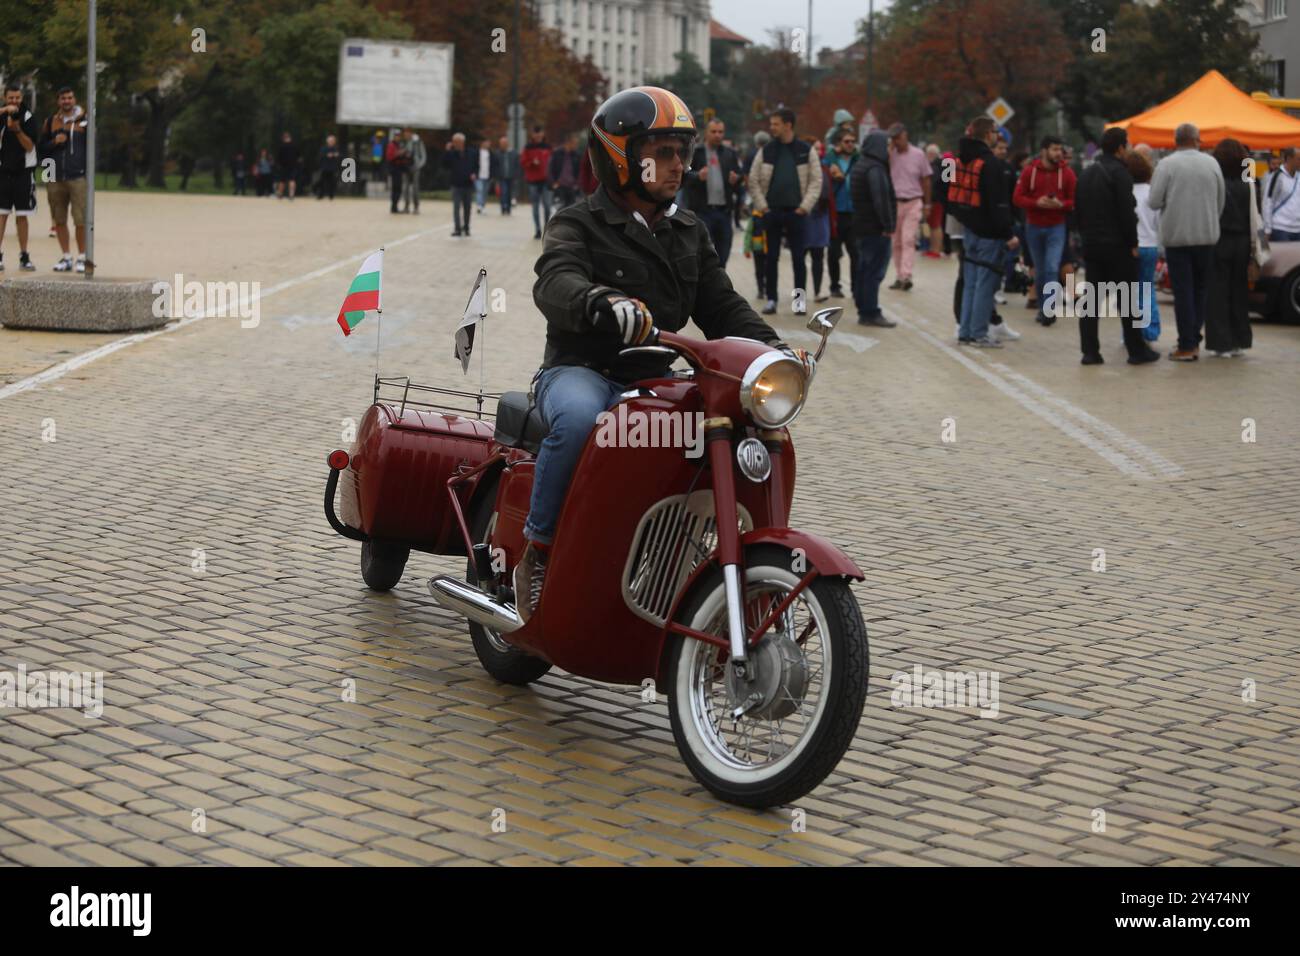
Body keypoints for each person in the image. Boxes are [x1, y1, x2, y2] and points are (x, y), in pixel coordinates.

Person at [520, 86, 812, 620]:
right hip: (581, 371)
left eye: (684, 152)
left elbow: (722, 306)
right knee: (585, 419)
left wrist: (773, 350)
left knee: (727, 427)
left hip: (653, 380)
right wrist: (597, 300)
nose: (679, 165)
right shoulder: (576, 222)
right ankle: (538, 554)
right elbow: (554, 281)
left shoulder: (687, 231)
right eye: (663, 153)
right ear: (621, 158)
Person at [1073, 127, 1159, 366]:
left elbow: (1077, 209)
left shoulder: (1087, 173)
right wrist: (1132, 243)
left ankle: (1090, 351)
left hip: (1092, 246)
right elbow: (1126, 213)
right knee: (1127, 300)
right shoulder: (1120, 173)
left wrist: (1085, 238)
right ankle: (1137, 351)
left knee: (1092, 300)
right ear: (1121, 148)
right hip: (1118, 247)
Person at [1147, 122, 1225, 361]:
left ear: (1176, 140)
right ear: (1196, 139)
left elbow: (1154, 201)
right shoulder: (1212, 163)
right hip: (1207, 235)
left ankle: (1187, 344)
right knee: (1201, 290)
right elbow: (1221, 200)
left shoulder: (1167, 165)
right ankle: (1193, 338)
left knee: (1183, 293)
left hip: (1178, 237)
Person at [949, 116, 1018, 347]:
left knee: (970, 282)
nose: (997, 136)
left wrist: (962, 217)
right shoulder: (991, 164)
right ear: (987, 134)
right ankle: (979, 333)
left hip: (968, 228)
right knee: (985, 284)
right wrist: (1008, 233)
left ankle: (965, 331)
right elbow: (997, 203)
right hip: (989, 232)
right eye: (995, 132)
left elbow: (948, 190)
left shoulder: (959, 159)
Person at [748, 108, 821, 315]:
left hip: (796, 214)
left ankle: (799, 303)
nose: (771, 128)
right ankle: (771, 299)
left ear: (788, 125)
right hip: (771, 213)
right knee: (771, 258)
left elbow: (816, 181)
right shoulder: (767, 150)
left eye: (775, 124)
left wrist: (804, 207)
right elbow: (753, 180)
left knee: (799, 259)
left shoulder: (805, 150)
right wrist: (763, 207)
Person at [1013, 135, 1076, 326]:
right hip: (1033, 226)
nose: (1059, 153)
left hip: (1057, 226)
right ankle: (1043, 307)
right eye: (1055, 149)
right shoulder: (1029, 172)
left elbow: (1075, 200)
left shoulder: (1067, 174)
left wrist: (1061, 204)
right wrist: (1036, 202)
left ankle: (1049, 310)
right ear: (1044, 151)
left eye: (1060, 149)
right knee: (1039, 270)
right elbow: (1017, 198)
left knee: (1051, 267)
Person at [1205, 138, 1254, 357]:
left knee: (1218, 292)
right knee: (1239, 291)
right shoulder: (1249, 181)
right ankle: (1240, 342)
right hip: (1243, 241)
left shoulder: (1216, 179)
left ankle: (1220, 343)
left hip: (1220, 239)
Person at [37, 86, 89, 273]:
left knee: (81, 219)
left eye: (69, 97)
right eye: (63, 98)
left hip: (78, 176)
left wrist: (87, 172)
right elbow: (41, 148)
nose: (66, 101)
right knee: (59, 219)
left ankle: (83, 257)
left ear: (74, 99)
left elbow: (92, 149)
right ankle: (66, 256)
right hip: (54, 176)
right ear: (58, 101)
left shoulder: (85, 121)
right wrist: (54, 142)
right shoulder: (50, 122)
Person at [850, 129, 897, 328]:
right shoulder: (875, 169)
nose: (889, 149)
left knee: (863, 270)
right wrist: (888, 225)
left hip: (861, 226)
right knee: (873, 272)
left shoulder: (861, 165)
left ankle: (864, 308)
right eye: (886, 145)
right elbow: (881, 200)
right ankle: (870, 312)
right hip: (874, 228)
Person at [687, 118, 742, 266]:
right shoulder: (695, 153)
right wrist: (697, 176)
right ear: (706, 132)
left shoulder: (730, 154)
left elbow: (739, 180)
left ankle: (719, 283)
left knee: (723, 253)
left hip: (724, 212)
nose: (718, 135)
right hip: (703, 212)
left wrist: (736, 180)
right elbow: (683, 176)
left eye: (721, 132)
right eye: (714, 132)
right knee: (704, 254)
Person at [884, 123, 931, 290]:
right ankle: (899, 275)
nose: (896, 141)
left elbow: (926, 179)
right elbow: (883, 170)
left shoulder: (918, 154)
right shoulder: (890, 155)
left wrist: (927, 203)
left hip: (913, 201)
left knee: (908, 239)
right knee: (896, 241)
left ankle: (906, 275)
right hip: (895, 203)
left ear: (905, 135)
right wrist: (889, 151)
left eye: (898, 137)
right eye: (893, 138)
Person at [0, 84, 38, 272]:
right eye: (10, 98)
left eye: (17, 98)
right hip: (3, 173)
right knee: (1, 215)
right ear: (5, 98)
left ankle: (24, 255)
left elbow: (30, 146)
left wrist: (16, 129)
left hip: (24, 173)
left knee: (22, 216)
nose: (14, 102)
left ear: (22, 98)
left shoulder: (28, 118)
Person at [1126, 149, 1162, 343]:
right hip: (1150, 245)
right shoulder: (1152, 194)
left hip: (1130, 247)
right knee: (1147, 289)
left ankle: (1130, 333)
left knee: (1130, 291)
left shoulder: (1124, 193)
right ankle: (1150, 330)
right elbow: (1158, 222)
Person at [825, 128, 859, 300]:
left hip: (854, 212)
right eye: (847, 141)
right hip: (836, 212)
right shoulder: (832, 159)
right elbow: (823, 164)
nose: (850, 144)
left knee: (855, 252)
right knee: (834, 253)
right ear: (839, 143)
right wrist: (832, 153)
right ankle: (835, 286)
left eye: (853, 141)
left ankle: (855, 286)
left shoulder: (857, 159)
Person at [802, 142, 833, 302]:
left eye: (821, 148)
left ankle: (817, 292)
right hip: (802, 217)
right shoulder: (801, 169)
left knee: (818, 256)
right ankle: (798, 299)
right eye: (815, 148)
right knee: (799, 260)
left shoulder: (825, 170)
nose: (819, 151)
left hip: (820, 218)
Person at [1262, 147, 1299, 241]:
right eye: (1299, 159)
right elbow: (1268, 202)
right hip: (1280, 228)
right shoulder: (1277, 176)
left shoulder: (1298, 177)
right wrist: (1267, 228)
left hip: (1298, 229)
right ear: (1289, 159)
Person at [521, 126, 553, 238]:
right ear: (532, 135)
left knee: (548, 206)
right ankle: (537, 230)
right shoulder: (528, 147)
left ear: (543, 134)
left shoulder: (548, 147)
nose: (538, 136)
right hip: (533, 181)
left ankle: (547, 228)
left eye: (540, 134)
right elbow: (523, 163)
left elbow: (553, 163)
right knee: (535, 207)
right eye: (536, 134)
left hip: (546, 181)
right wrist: (531, 163)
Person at [442, 132, 475, 236]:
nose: (455, 144)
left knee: (467, 207)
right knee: (456, 208)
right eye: (454, 142)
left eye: (457, 142)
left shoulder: (471, 153)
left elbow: (476, 165)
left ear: (463, 142)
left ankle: (466, 227)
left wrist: (475, 173)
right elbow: (445, 165)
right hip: (456, 184)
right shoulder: (451, 154)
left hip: (468, 184)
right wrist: (447, 151)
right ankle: (457, 228)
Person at [549, 134, 582, 214]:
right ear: (568, 143)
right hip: (560, 185)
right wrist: (554, 182)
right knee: (560, 208)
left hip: (571, 186)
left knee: (571, 209)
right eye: (575, 143)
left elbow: (579, 170)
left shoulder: (576, 155)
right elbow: (551, 168)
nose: (576, 145)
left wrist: (577, 184)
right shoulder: (557, 153)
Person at [493, 135, 519, 214]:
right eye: (501, 143)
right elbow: (495, 166)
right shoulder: (497, 153)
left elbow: (517, 165)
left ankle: (508, 208)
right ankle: (503, 207)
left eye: (504, 143)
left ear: (507, 143)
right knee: (503, 192)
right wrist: (496, 177)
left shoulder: (513, 153)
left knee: (509, 193)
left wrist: (516, 175)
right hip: (502, 177)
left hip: (511, 176)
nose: (503, 145)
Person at [403, 130, 426, 213]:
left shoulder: (418, 142)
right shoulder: (405, 142)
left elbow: (423, 156)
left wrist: (418, 166)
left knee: (415, 188)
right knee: (405, 188)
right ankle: (406, 206)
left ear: (410, 133)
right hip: (406, 167)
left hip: (415, 167)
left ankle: (416, 207)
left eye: (407, 133)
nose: (405, 135)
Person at [276, 131, 300, 200]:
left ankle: (280, 194)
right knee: (292, 180)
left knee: (282, 181)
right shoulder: (295, 145)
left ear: (283, 138)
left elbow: (278, 157)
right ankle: (291, 195)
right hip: (293, 166)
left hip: (283, 166)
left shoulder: (281, 146)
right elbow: (298, 156)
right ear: (290, 138)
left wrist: (279, 164)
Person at [317, 134, 341, 201]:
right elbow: (320, 157)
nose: (331, 141)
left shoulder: (336, 148)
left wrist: (335, 156)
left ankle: (331, 196)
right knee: (322, 182)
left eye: (332, 140)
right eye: (330, 140)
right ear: (327, 141)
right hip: (324, 167)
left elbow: (339, 157)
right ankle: (320, 195)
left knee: (332, 182)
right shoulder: (323, 149)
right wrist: (327, 155)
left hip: (332, 168)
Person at [474, 137, 492, 213]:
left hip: (487, 176)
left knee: (485, 192)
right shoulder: (476, 153)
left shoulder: (490, 154)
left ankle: (483, 205)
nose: (488, 144)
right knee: (479, 190)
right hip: (478, 176)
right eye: (486, 142)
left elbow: (493, 165)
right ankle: (479, 205)